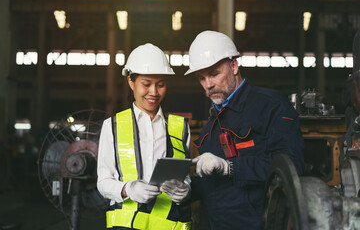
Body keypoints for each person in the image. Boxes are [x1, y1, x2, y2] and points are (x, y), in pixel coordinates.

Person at [185, 30, 305, 229]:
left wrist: (230, 167)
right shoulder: (210, 127)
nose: (208, 85)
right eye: (201, 78)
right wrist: (187, 190)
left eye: (214, 74)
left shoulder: (271, 106)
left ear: (233, 66)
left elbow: (291, 166)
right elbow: (214, 187)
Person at [97, 43, 192, 230]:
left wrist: (185, 191)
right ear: (131, 82)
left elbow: (185, 177)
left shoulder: (180, 128)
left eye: (161, 84)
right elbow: (103, 182)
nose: (154, 92)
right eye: (146, 84)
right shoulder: (112, 126)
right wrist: (128, 189)